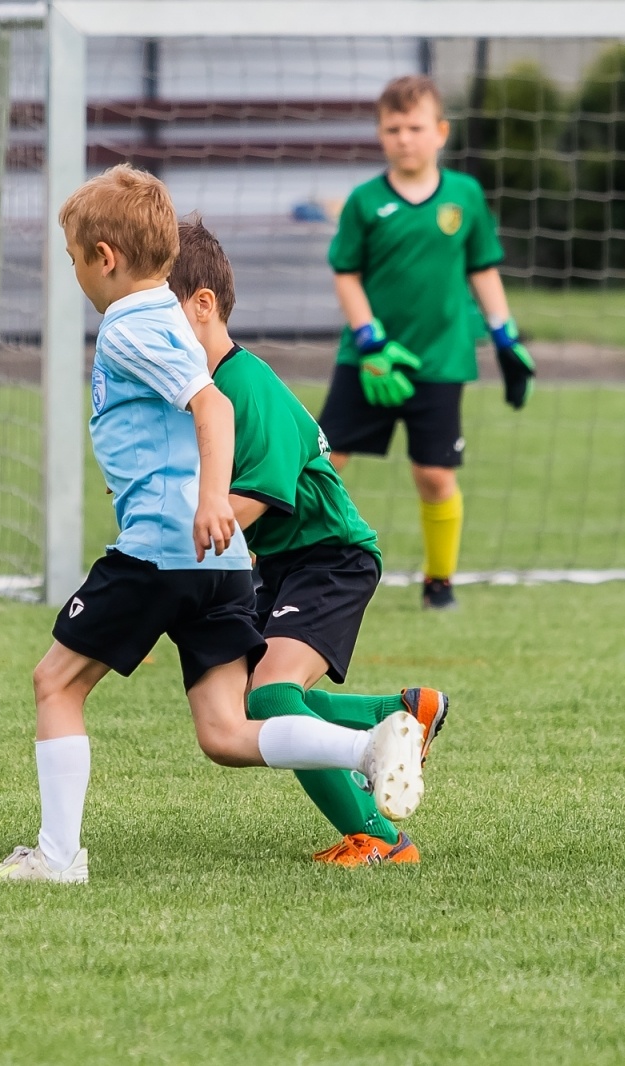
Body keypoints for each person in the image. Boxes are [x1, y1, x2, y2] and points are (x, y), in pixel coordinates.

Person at [0, 165, 425, 885]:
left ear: (106, 258)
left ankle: (57, 859)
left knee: (56, 683)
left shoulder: (128, 324)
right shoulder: (171, 321)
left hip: (163, 550)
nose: (76, 274)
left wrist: (213, 499)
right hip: (222, 566)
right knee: (226, 731)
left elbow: (213, 408)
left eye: (75, 258)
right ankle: (368, 745)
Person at [170, 216, 449, 867]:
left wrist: (174, 539)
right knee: (249, 705)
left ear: (203, 305)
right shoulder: (203, 394)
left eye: (159, 315)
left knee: (268, 698)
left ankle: (381, 838)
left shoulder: (245, 387)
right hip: (281, 565)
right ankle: (400, 712)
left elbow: (261, 497)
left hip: (331, 558)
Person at [318, 74, 535, 611]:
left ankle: (439, 583)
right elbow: (345, 274)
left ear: (440, 132)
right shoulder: (366, 202)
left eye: (415, 127)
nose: (404, 138)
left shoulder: (465, 196)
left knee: (434, 474)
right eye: (393, 128)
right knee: (322, 463)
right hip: (368, 360)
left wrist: (505, 332)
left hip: (440, 359)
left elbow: (482, 268)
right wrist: (370, 340)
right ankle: (268, 569)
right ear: (380, 134)